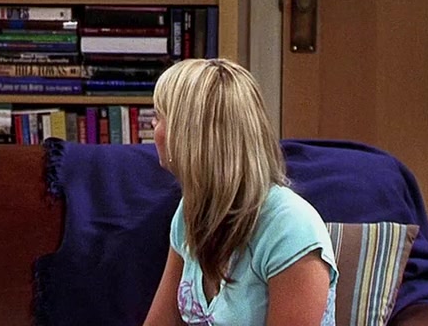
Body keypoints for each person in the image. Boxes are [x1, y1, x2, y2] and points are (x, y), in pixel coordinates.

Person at [143, 58, 338, 326]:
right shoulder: (190, 210)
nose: (153, 127)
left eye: (159, 117)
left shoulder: (290, 228)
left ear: (190, 136)